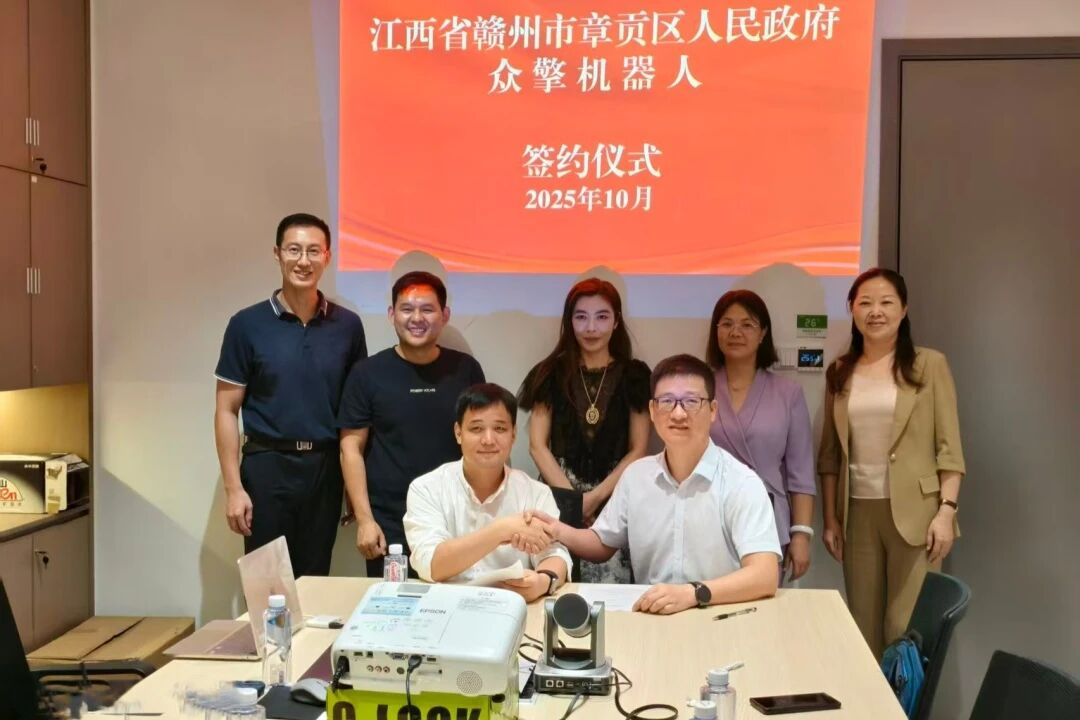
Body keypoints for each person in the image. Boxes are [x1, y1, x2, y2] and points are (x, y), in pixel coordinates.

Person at [530, 354, 781, 614]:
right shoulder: (636, 477)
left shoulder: (741, 483)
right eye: (667, 402)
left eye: (691, 401)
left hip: (717, 615)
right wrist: (556, 529)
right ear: (652, 410)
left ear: (713, 410)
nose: (678, 413)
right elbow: (601, 543)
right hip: (651, 616)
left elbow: (764, 575)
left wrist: (693, 593)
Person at [819, 268, 965, 657]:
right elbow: (829, 456)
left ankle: (901, 698)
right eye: (865, 303)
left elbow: (949, 448)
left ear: (904, 310)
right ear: (852, 309)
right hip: (857, 515)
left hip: (918, 515)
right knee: (862, 626)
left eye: (886, 302)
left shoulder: (929, 365)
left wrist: (946, 511)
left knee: (904, 628)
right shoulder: (839, 371)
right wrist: (831, 519)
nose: (875, 311)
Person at [214, 213, 367, 576]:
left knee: (314, 579)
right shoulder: (246, 325)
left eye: (314, 251)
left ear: (327, 257)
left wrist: (353, 487)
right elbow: (226, 410)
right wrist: (233, 488)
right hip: (267, 467)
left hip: (325, 469)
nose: (303, 260)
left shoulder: (347, 326)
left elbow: (355, 413)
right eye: (294, 250)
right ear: (277, 254)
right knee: (267, 583)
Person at [338, 271, 485, 578]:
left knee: (454, 604)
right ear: (391, 314)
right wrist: (365, 520)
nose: (416, 318)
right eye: (407, 309)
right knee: (394, 604)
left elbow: (482, 441)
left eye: (427, 309)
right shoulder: (367, 374)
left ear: (445, 315)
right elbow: (350, 448)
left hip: (455, 519)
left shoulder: (466, 370)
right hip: (389, 524)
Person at [518, 278, 650, 583]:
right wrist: (573, 501)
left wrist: (594, 499)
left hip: (615, 494)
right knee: (554, 580)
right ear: (569, 322)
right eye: (581, 317)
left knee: (612, 592)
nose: (591, 328)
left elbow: (639, 449)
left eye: (602, 317)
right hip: (557, 492)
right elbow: (537, 445)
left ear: (616, 321)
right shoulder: (550, 372)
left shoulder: (635, 375)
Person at [404, 384, 570, 602]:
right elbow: (431, 564)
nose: (488, 440)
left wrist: (543, 581)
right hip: (446, 607)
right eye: (476, 429)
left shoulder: (536, 492)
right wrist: (503, 529)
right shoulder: (427, 488)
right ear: (458, 433)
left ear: (513, 435)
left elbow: (554, 553)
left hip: (513, 607)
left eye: (500, 429)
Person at [706, 290, 816, 582]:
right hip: (706, 516)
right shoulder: (699, 388)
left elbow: (801, 472)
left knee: (763, 603)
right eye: (727, 324)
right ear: (716, 331)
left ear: (763, 333)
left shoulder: (788, 393)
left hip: (767, 519)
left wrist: (801, 534)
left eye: (747, 324)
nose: (736, 332)